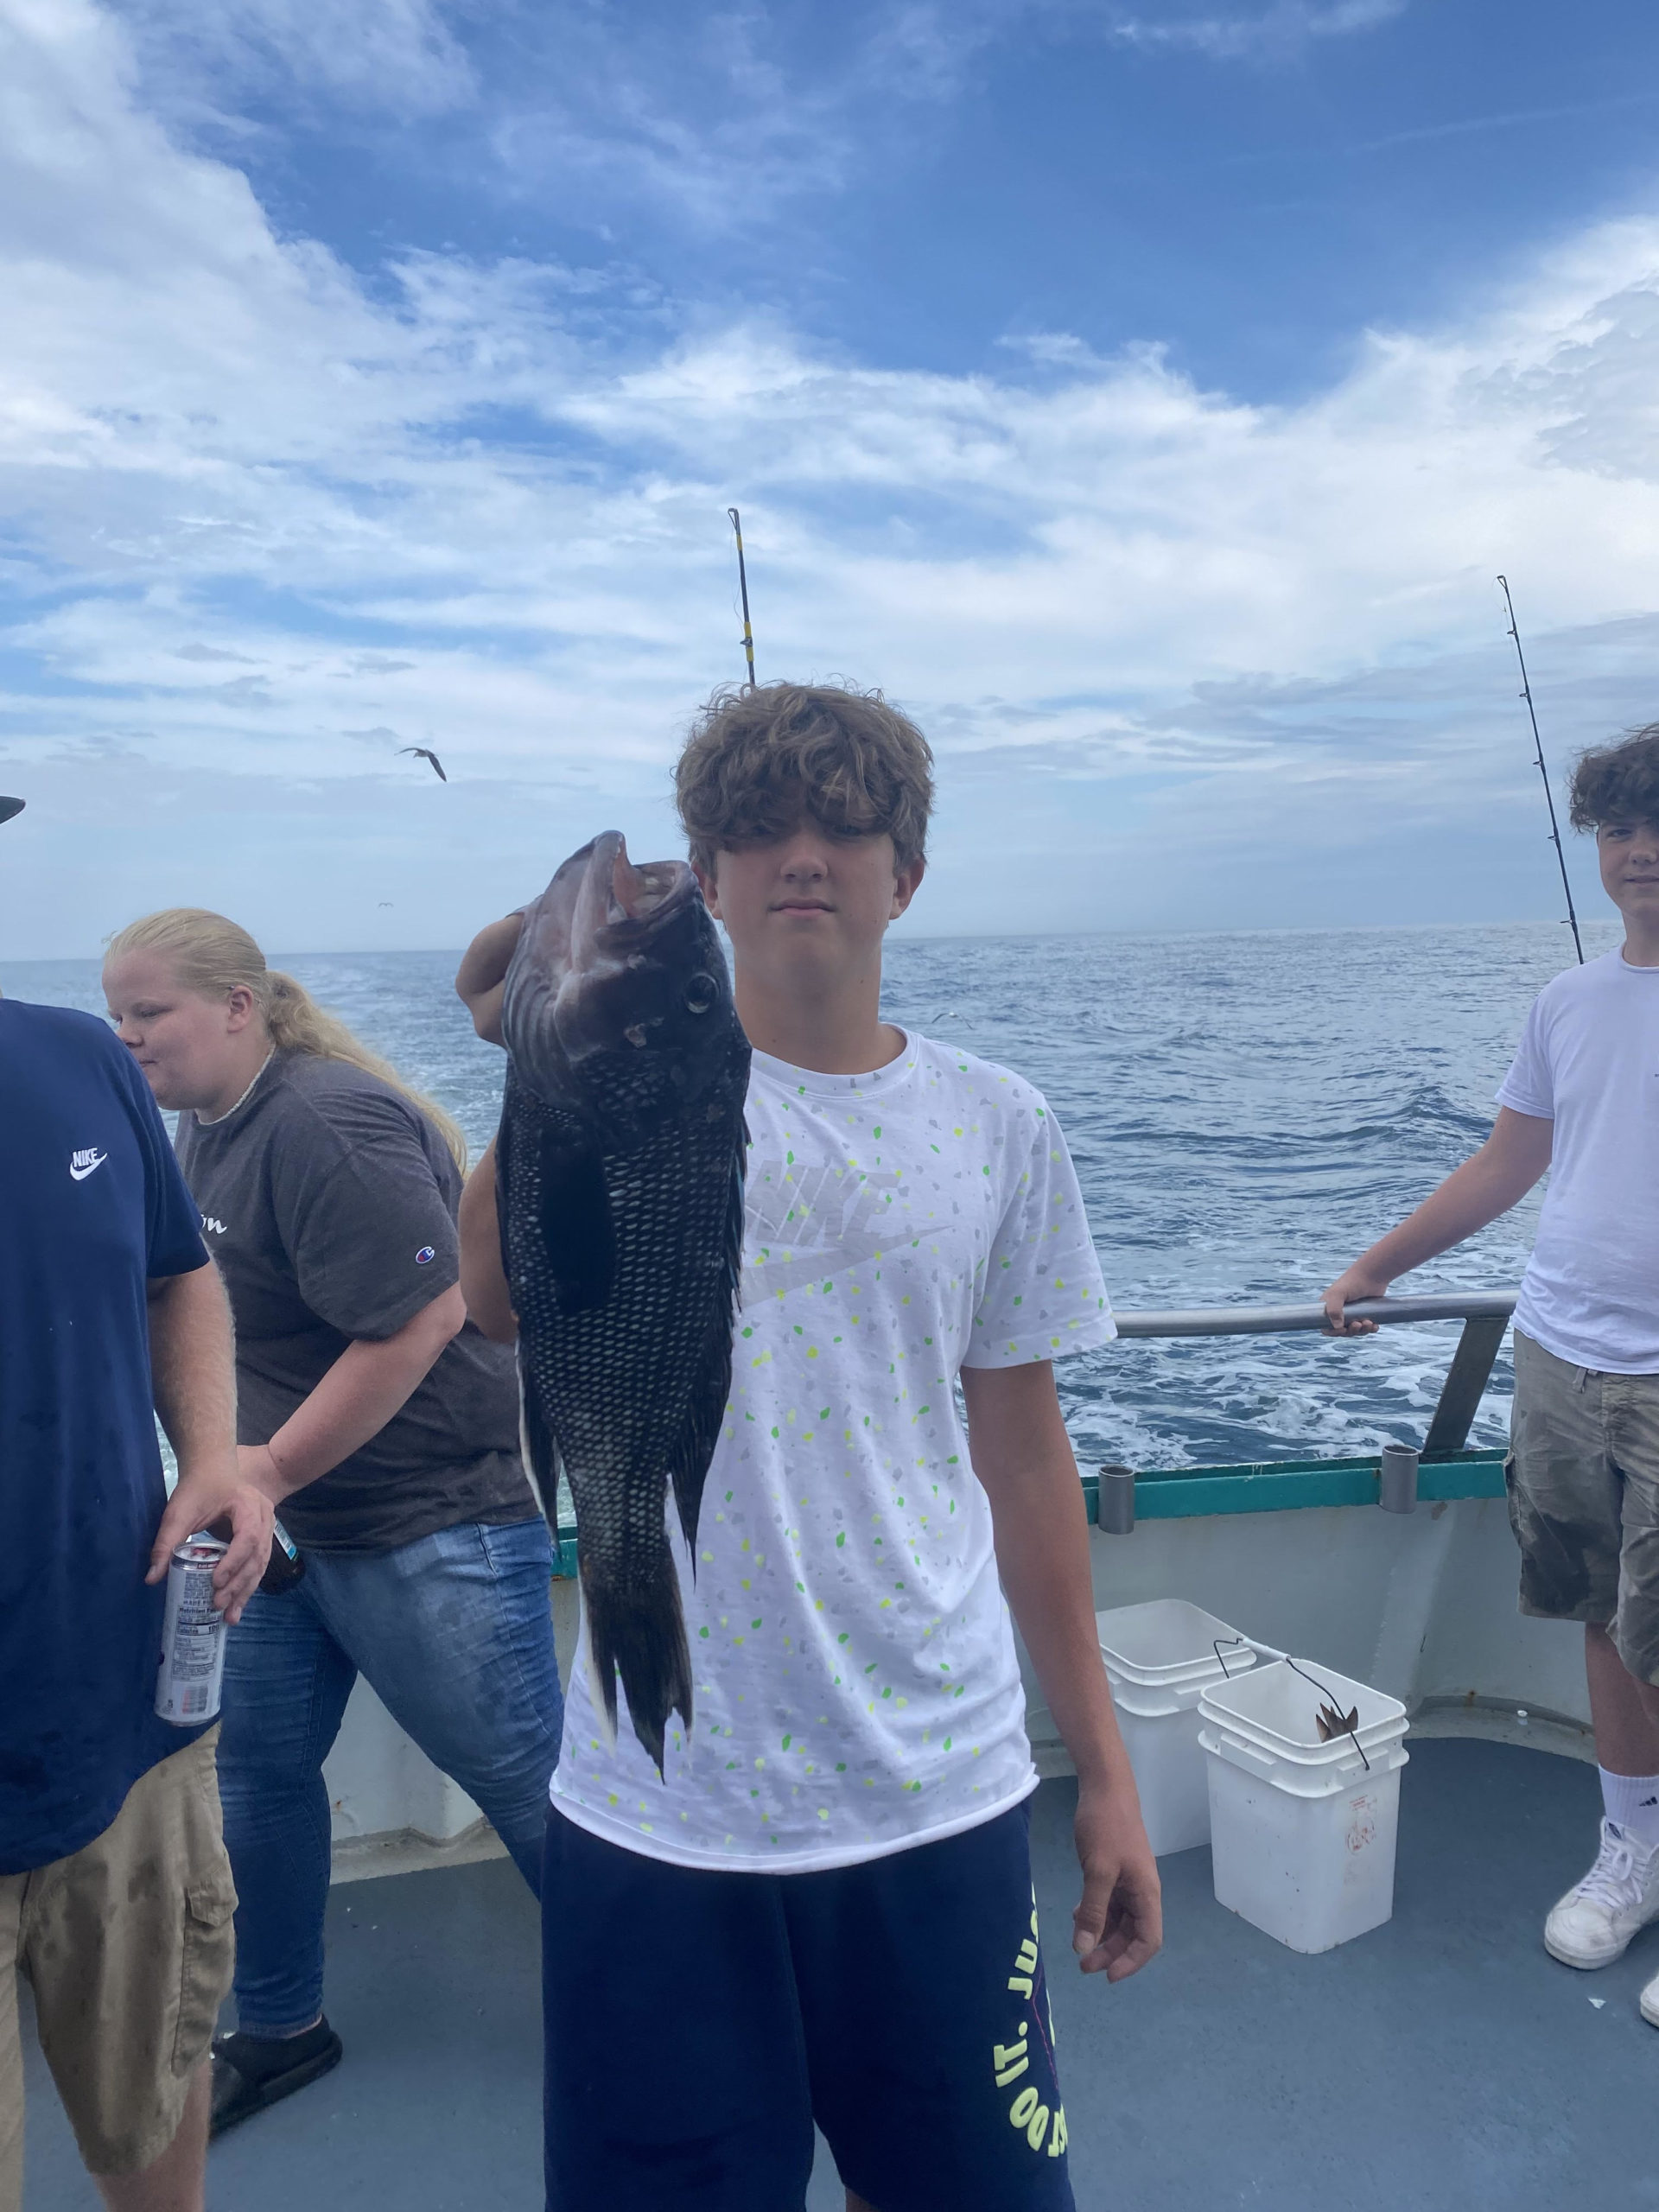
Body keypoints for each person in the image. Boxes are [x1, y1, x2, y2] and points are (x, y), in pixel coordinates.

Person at [456, 683, 1161, 2212]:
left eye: (847, 826)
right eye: (756, 829)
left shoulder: (999, 1120)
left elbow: (1027, 1457)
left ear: (905, 876)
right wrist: (537, 1066)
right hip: (661, 1808)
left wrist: (1102, 1772)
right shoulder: (622, 1060)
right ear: (702, 881)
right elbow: (501, 1300)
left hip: (937, 1789)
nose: (803, 856)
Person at [102, 911, 565, 2136]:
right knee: (256, 1778)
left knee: (530, 1790)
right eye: (117, 1014)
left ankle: (654, 2008)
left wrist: (262, 1469)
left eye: (151, 1011)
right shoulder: (206, 1133)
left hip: (431, 1524)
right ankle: (283, 2022)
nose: (127, 1034)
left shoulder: (320, 1123)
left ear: (242, 1006)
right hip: (294, 1530)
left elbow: (423, 1317)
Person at [1325, 722, 1659, 2026]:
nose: (1642, 853)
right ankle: (1632, 1852)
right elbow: (1505, 1166)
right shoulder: (1568, 1005)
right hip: (1562, 1355)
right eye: (1621, 827)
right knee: (1598, 1620)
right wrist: (1377, 1266)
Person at [2, 805, 273, 2212]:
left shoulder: (77, 1064)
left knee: (152, 2105)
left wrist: (217, 1453)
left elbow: (181, 1275)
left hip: (130, 1728)